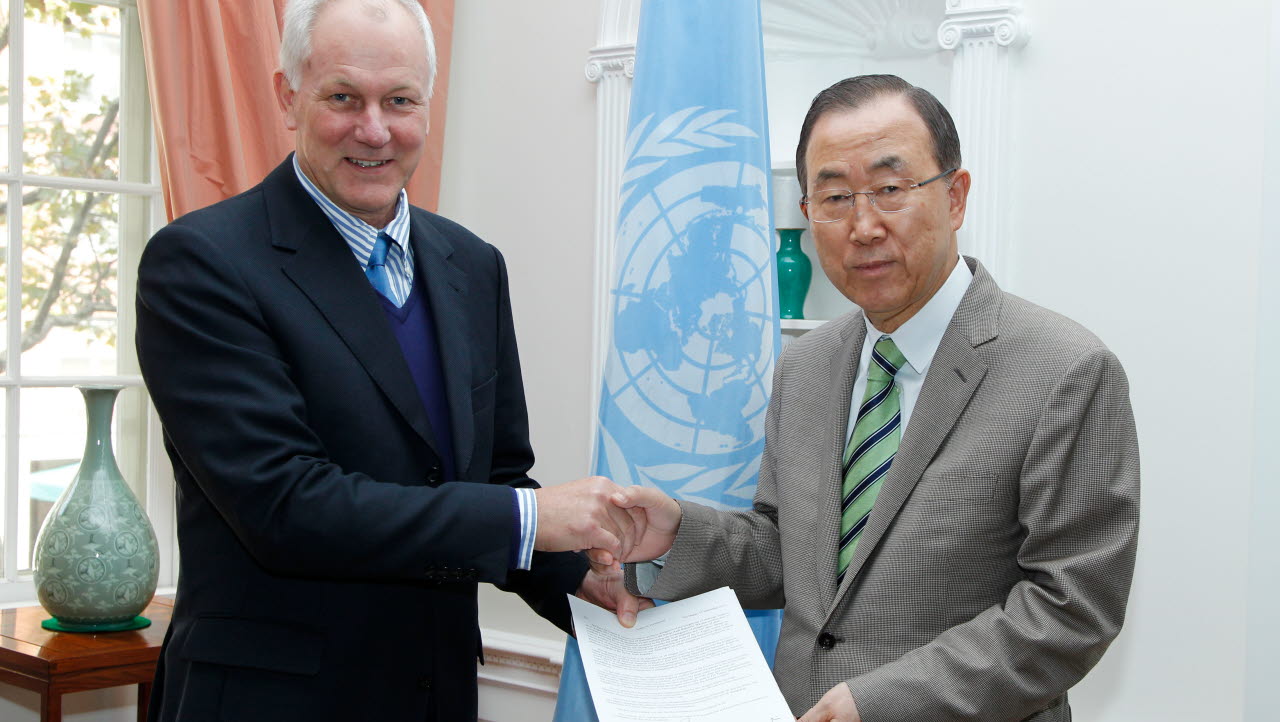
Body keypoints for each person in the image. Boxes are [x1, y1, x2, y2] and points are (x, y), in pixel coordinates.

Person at [135, 1, 644, 720]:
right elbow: (285, 505)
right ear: (288, 95)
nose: (374, 130)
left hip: (435, 695)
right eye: (343, 97)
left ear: (426, 108)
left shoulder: (472, 264)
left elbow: (494, 475)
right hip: (270, 703)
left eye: (399, 100)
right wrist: (528, 520)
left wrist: (577, 580)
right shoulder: (202, 264)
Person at [615, 74, 1140, 722]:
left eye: (890, 190)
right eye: (834, 196)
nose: (862, 226)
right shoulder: (804, 366)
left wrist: (883, 702)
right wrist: (676, 535)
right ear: (807, 215)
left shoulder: (1066, 370)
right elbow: (795, 552)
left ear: (955, 197)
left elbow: (1071, 610)